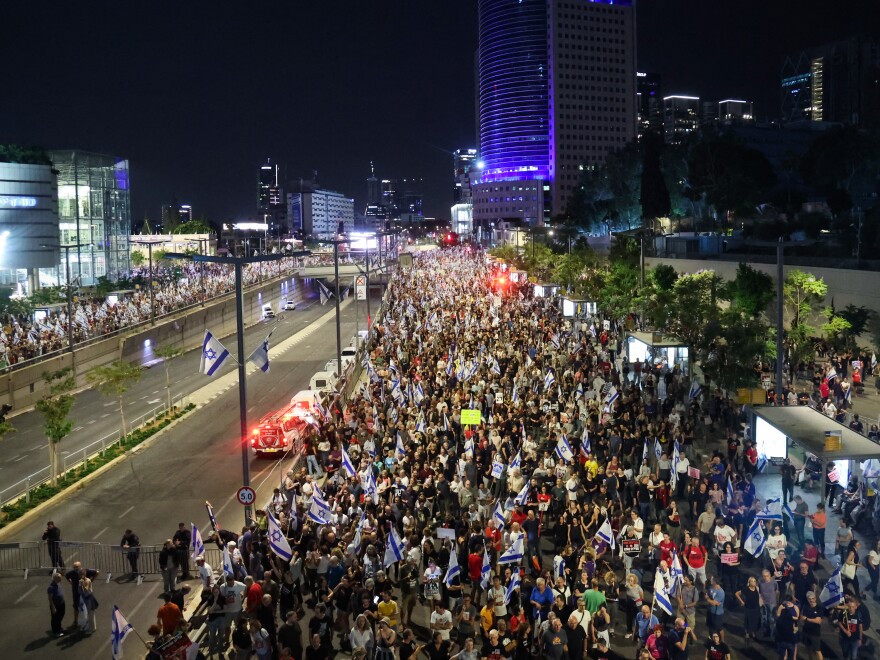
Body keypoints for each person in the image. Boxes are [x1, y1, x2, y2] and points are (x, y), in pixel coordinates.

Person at [799, 591, 824, 660]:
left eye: (813, 598)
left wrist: (807, 619)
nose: (811, 600)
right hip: (806, 631)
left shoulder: (819, 608)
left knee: (817, 651)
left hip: (815, 633)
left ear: (815, 598)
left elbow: (818, 621)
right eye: (809, 599)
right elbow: (801, 617)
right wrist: (804, 618)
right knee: (808, 649)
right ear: (807, 599)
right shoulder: (805, 606)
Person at [735, 576, 761, 641]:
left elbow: (760, 597)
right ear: (749, 582)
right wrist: (741, 601)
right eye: (752, 581)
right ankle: (747, 633)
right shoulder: (746, 589)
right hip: (748, 608)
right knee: (748, 620)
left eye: (754, 581)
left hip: (756, 607)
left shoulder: (757, 588)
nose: (754, 582)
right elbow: (737, 594)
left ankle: (753, 632)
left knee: (755, 621)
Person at [704, 576, 725, 644]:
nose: (710, 580)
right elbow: (708, 594)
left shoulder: (721, 592)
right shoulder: (711, 588)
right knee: (710, 626)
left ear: (715, 582)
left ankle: (722, 641)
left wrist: (707, 599)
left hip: (718, 613)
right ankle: (711, 638)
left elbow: (714, 603)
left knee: (719, 628)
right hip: (710, 611)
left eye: (712, 579)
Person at [47, 572, 65, 637]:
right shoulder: (51, 587)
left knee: (61, 615)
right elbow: (50, 598)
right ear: (55, 579)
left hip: (61, 603)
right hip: (56, 605)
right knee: (55, 618)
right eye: (59, 578)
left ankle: (59, 627)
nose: (61, 580)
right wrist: (53, 607)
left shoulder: (58, 583)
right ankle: (56, 631)